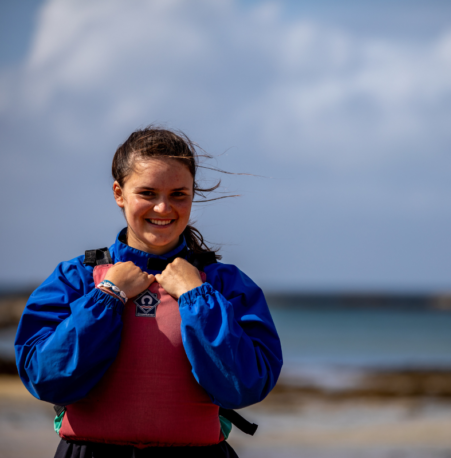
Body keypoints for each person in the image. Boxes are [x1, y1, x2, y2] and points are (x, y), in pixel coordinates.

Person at [14, 127, 283, 458]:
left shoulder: (223, 284)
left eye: (178, 194)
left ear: (192, 195)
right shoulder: (76, 278)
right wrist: (108, 295)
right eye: (148, 193)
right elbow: (44, 377)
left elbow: (247, 384)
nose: (162, 208)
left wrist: (197, 297)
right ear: (119, 193)